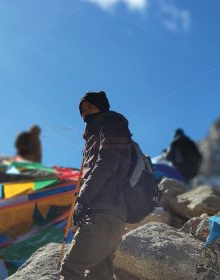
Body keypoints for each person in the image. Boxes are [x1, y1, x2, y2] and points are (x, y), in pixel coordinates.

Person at [60, 91, 132, 280]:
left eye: (90, 107)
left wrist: (83, 199)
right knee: (100, 274)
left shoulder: (111, 125)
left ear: (102, 107)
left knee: (70, 268)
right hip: (111, 213)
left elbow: (107, 164)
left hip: (104, 210)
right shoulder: (97, 135)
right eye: (82, 110)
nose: (85, 112)